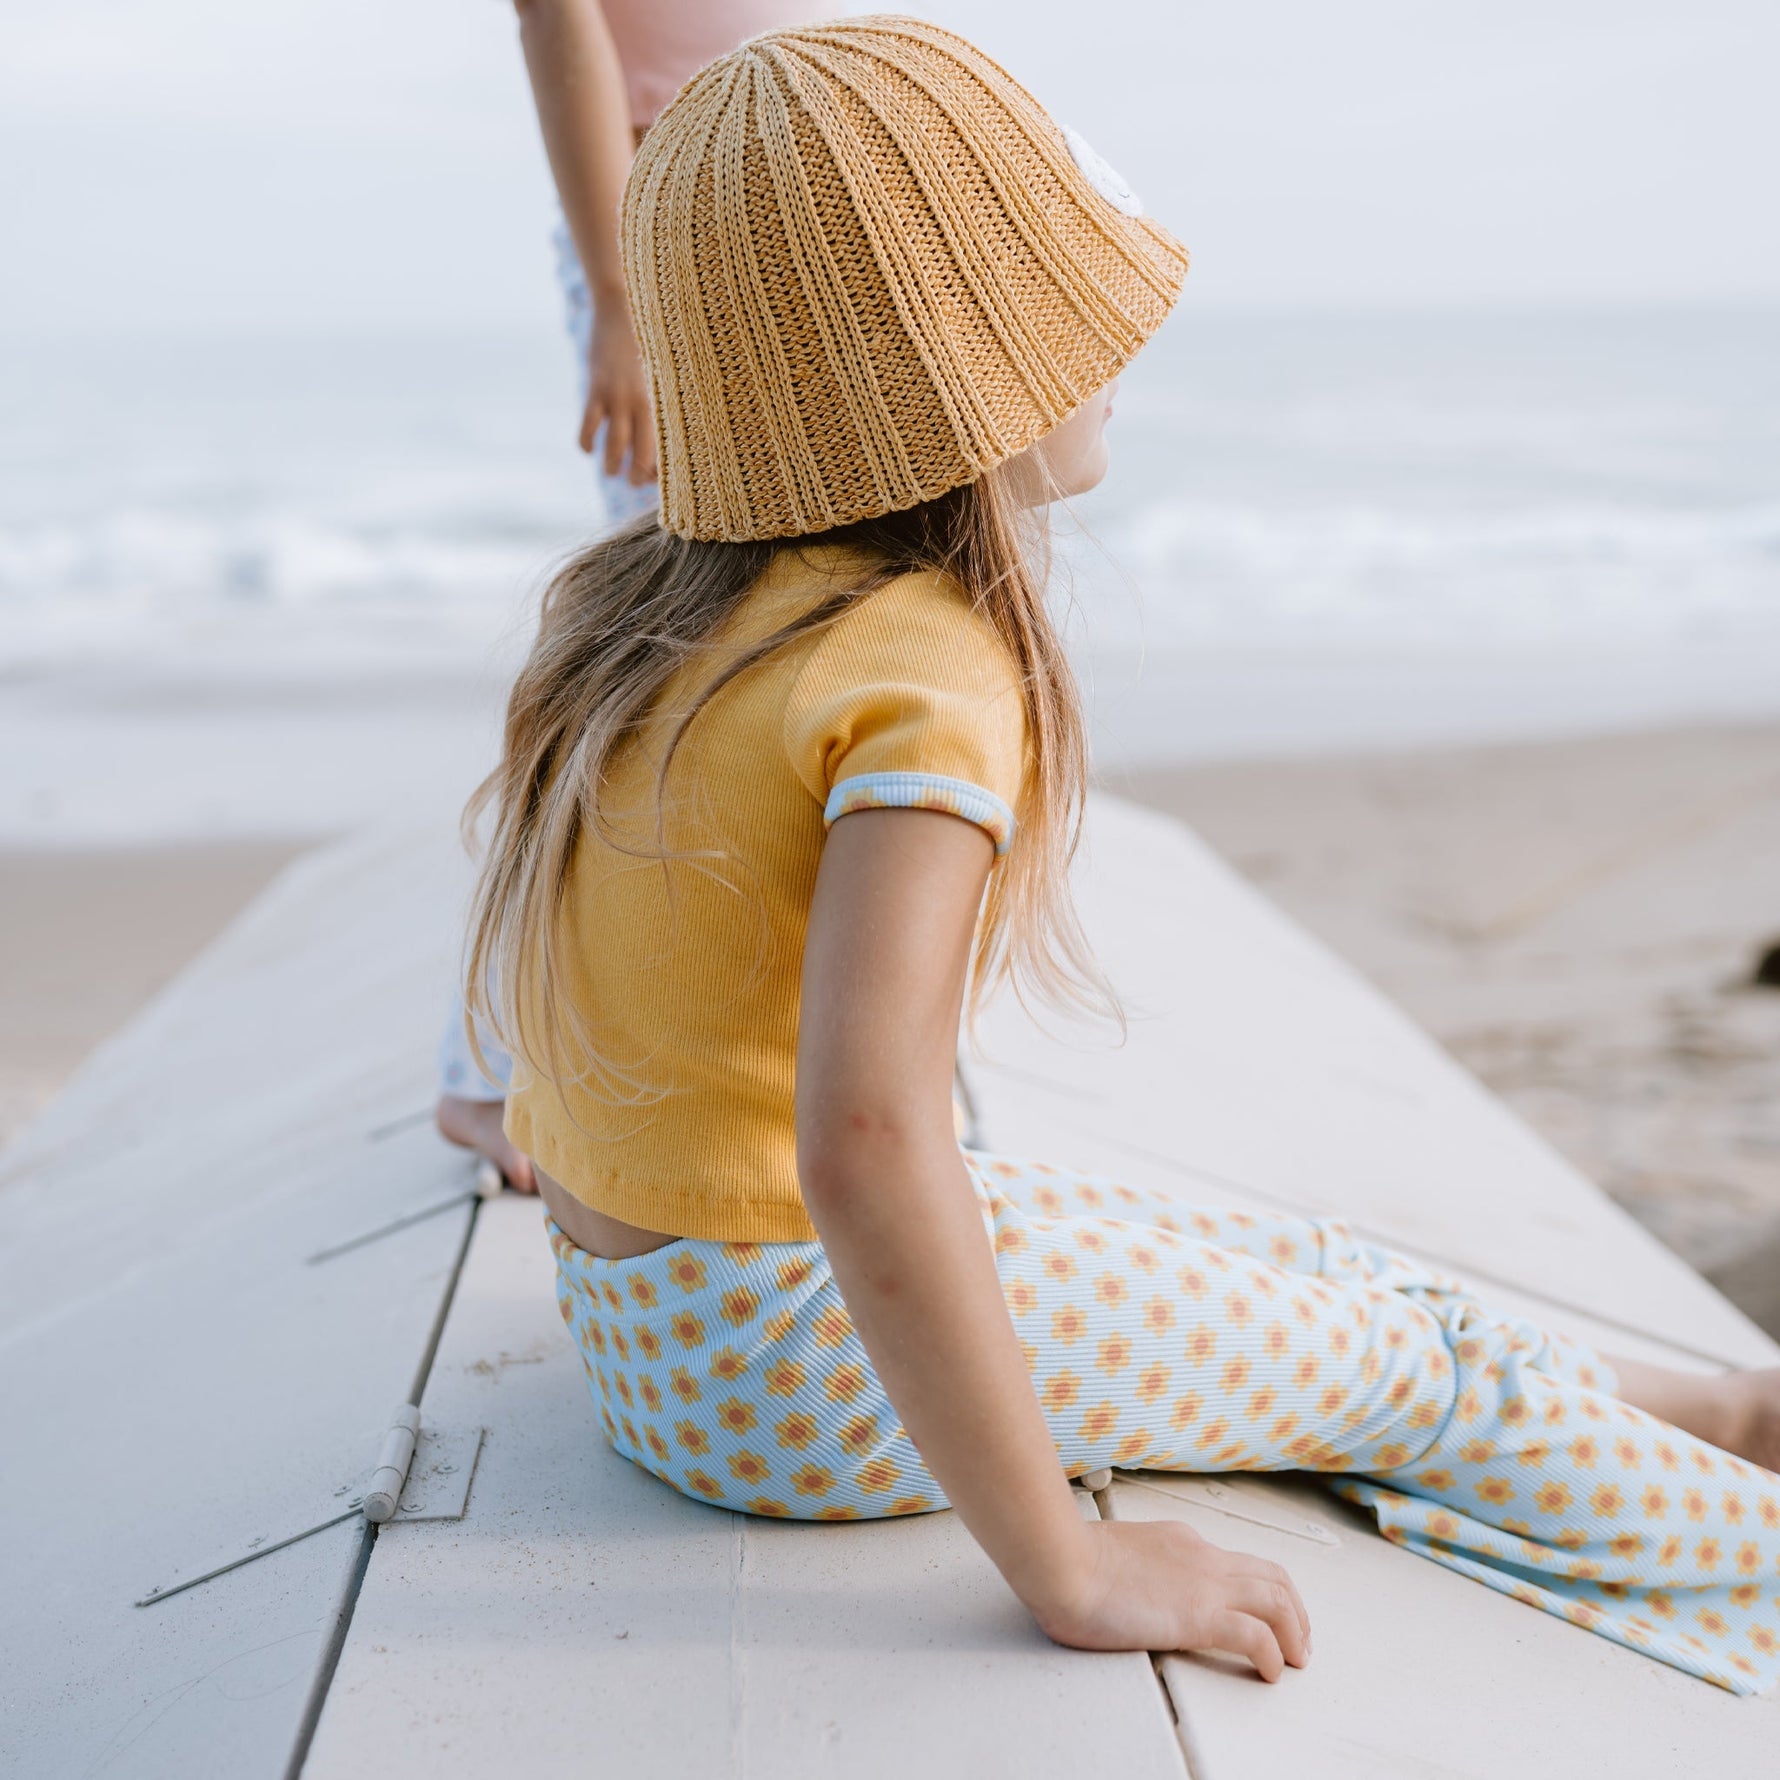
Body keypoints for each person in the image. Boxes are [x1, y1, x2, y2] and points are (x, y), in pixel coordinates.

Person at [463, 17, 1780, 1692]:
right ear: (954, 360)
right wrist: (1069, 1562)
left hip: (647, 1327)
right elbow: (869, 1143)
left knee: (1320, 1272)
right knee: (1410, 1382)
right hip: (779, 1360)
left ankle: (1712, 1411)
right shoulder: (922, 670)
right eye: (1056, 297)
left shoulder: (645, 622)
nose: (1117, 348)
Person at [437, 0, 810, 1190]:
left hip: (765, 197)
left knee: (723, 634)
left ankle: (515, 1058)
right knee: (656, 646)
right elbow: (558, 20)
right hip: (670, 219)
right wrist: (619, 297)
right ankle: (485, 1067)